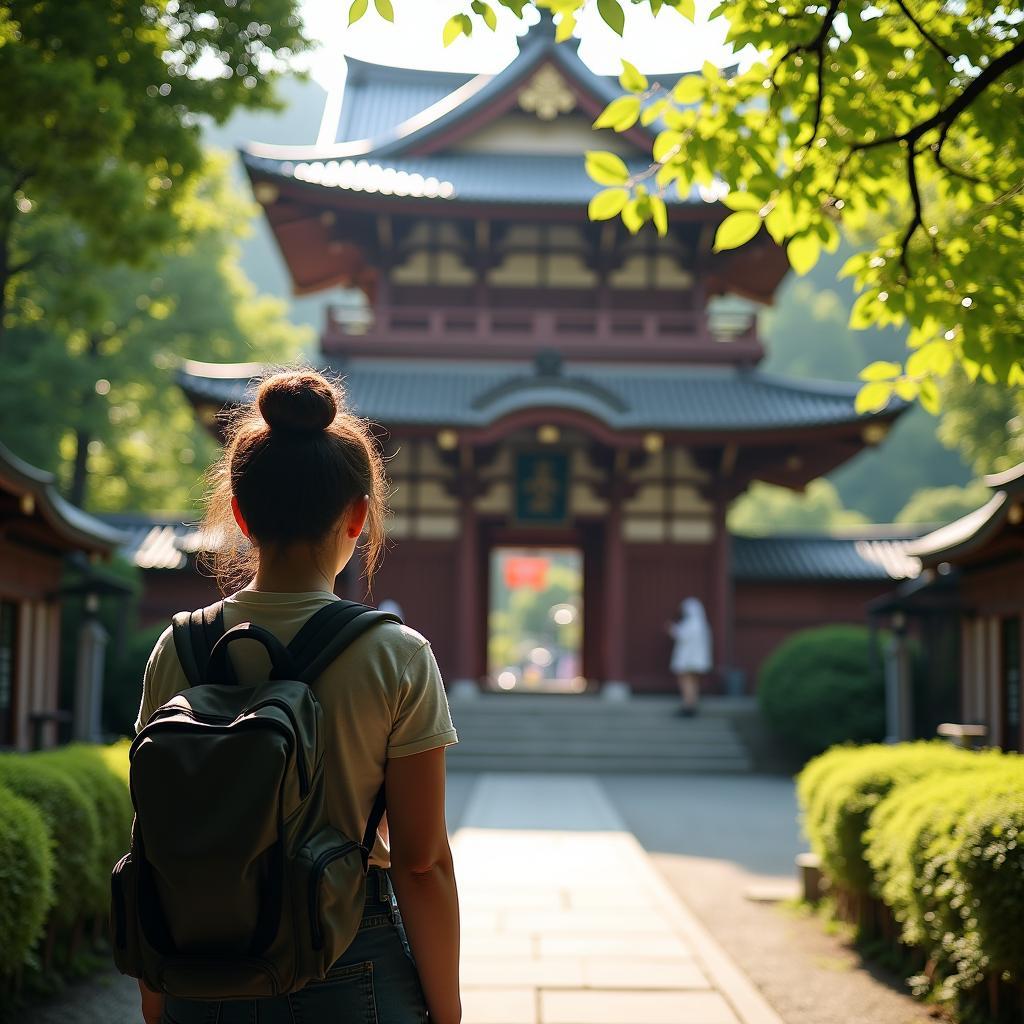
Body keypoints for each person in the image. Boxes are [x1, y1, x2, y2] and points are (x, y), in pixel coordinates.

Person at [133, 369, 461, 1024]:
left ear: (242, 514)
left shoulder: (180, 646)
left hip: (200, 959)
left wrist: (157, 993)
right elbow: (420, 863)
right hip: (350, 955)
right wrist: (448, 1011)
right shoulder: (396, 656)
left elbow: (153, 826)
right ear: (359, 516)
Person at [666, 598, 712, 717]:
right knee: (693, 682)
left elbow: (680, 636)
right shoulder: (702, 624)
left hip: (688, 660)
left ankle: (688, 705)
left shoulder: (691, 624)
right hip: (696, 660)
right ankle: (692, 704)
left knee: (686, 682)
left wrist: (671, 629)